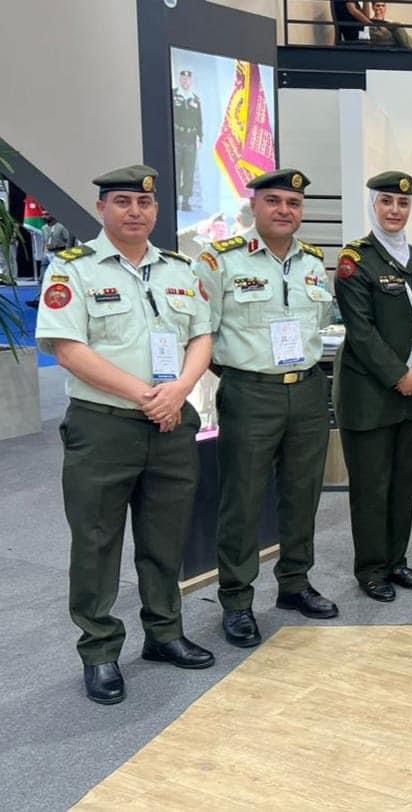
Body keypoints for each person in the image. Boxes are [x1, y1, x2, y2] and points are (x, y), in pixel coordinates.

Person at [35, 165, 215, 705]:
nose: (135, 212)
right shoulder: (74, 270)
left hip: (171, 423)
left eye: (144, 203)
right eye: (122, 202)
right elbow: (68, 349)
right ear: (102, 209)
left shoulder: (179, 269)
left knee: (165, 537)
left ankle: (164, 632)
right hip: (104, 425)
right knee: (96, 541)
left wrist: (178, 390)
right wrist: (146, 394)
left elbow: (201, 336)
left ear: (155, 210)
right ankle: (100, 650)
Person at [196, 168, 338, 648]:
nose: (284, 210)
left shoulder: (313, 261)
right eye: (274, 201)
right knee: (243, 499)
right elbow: (203, 334)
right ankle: (236, 600)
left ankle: (295, 582)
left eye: (293, 203)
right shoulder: (221, 261)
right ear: (253, 205)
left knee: (302, 493)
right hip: (250, 392)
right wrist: (243, 376)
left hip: (308, 390)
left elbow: (320, 322)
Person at [334, 171, 412, 602]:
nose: (395, 210)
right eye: (386, 202)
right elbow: (360, 332)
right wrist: (400, 375)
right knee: (371, 487)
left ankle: (396, 559)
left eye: (402, 203)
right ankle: (372, 568)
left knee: (403, 482)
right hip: (371, 394)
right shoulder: (355, 261)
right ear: (373, 206)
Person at [173, 69, 202, 212]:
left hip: (191, 139)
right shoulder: (173, 95)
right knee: (176, 170)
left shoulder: (195, 99)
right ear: (180, 80)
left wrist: (200, 137)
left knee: (189, 172)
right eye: (183, 79)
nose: (185, 81)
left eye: (188, 79)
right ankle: (174, 199)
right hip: (177, 137)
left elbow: (199, 120)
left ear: (191, 81)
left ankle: (186, 201)